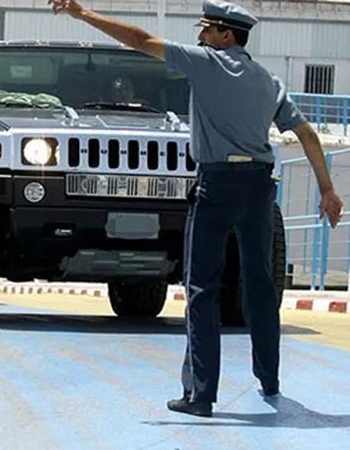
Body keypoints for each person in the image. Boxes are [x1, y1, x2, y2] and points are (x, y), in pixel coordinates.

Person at [50, 0, 344, 417]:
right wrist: (327, 190)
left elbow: (140, 40)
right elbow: (308, 134)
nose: (200, 35)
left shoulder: (206, 63)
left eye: (207, 29)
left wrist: (84, 15)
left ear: (226, 35)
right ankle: (270, 378)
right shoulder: (269, 80)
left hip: (218, 183)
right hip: (259, 186)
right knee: (259, 284)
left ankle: (200, 395)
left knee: (203, 287)